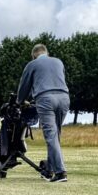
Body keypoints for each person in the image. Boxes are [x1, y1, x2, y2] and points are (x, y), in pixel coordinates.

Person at [17, 44, 70, 183]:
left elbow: (24, 86)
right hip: (64, 98)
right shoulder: (58, 62)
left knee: (51, 135)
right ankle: (50, 170)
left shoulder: (32, 64)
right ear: (46, 53)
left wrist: (20, 101)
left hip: (46, 99)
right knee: (55, 135)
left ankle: (61, 173)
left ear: (34, 55)